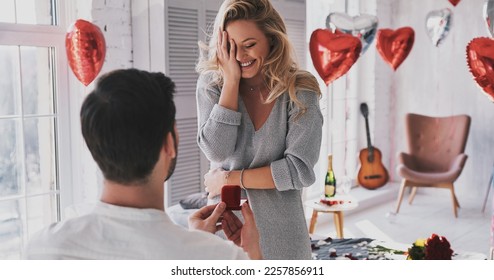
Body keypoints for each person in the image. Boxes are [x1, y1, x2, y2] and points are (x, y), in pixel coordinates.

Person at [24, 69, 261, 260]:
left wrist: (194, 242)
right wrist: (252, 256)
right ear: (170, 143)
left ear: (94, 146)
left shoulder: (42, 249)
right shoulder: (221, 259)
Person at [195, 0, 323, 259]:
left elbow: (299, 170)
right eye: (230, 46)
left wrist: (229, 179)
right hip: (225, 233)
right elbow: (217, 151)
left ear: (272, 39)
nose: (240, 56)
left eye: (249, 45)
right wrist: (230, 83)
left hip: (284, 238)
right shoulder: (212, 85)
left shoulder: (300, 90)